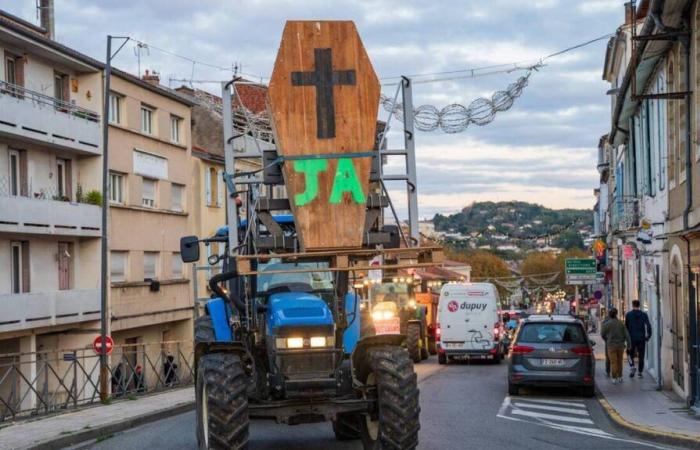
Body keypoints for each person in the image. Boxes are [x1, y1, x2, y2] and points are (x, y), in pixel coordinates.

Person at [601, 307, 631, 384]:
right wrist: (629, 344)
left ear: (610, 315)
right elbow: (627, 334)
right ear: (616, 314)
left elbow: (602, 334)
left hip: (611, 345)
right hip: (620, 345)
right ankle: (620, 377)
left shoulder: (607, 324)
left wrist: (606, 340)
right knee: (620, 362)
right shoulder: (621, 323)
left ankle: (614, 377)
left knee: (613, 362)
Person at [625, 300, 652, 378]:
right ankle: (640, 372)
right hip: (641, 338)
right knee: (641, 356)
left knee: (629, 354)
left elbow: (626, 328)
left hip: (631, 338)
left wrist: (626, 338)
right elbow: (648, 325)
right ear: (639, 305)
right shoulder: (644, 315)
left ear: (632, 305)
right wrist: (648, 336)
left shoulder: (628, 315)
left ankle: (632, 366)